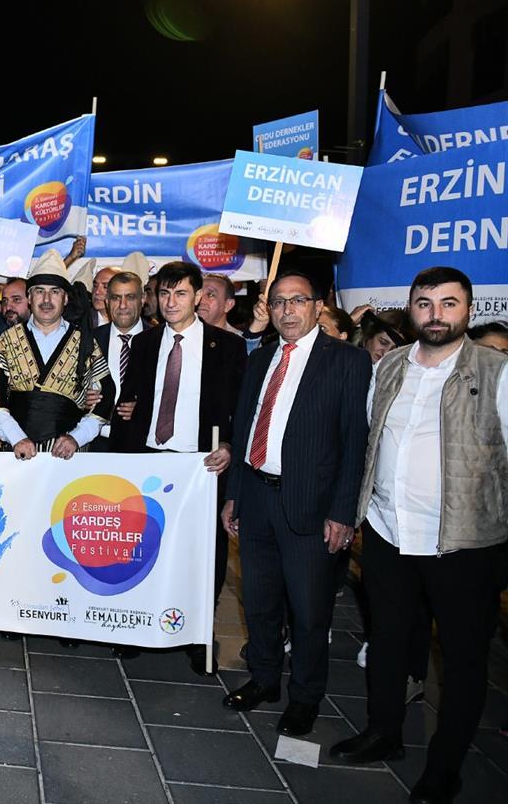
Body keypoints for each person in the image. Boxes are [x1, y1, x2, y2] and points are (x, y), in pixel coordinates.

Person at [330, 267, 508, 804]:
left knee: (461, 658)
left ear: (468, 310)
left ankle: (445, 767)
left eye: (448, 303)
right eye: (425, 303)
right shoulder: (389, 366)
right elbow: (371, 438)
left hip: (462, 542)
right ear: (411, 309)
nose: (436, 314)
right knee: (387, 640)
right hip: (389, 532)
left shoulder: (496, 372)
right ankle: (383, 732)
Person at [220, 270, 371, 738]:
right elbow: (244, 429)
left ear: (318, 306)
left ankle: (305, 697)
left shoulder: (347, 361)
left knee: (309, 612)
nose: (287, 311)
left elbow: (356, 443)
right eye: (279, 302)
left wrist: (343, 513)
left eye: (298, 301)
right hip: (256, 497)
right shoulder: (260, 358)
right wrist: (234, 495)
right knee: (259, 601)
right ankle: (264, 679)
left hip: (311, 507)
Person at [110, 261, 246, 669]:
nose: (171, 302)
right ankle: (140, 626)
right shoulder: (145, 343)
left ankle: (199, 634)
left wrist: (231, 446)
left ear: (198, 296)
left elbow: (241, 408)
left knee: (203, 554)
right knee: (145, 546)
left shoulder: (227, 347)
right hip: (150, 461)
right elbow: (130, 400)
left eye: (181, 293)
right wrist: (125, 413)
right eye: (165, 293)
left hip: (200, 466)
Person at [0, 249, 114, 460]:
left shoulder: (85, 342)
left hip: (69, 455)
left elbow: (105, 395)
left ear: (65, 299)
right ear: (29, 297)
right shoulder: (7, 339)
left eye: (54, 292)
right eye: (39, 291)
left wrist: (77, 438)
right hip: (18, 453)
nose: (46, 299)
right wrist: (16, 438)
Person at [92, 271, 151, 451]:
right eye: (116, 298)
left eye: (130, 297)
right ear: (107, 301)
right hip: (97, 444)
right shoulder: (89, 340)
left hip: (145, 444)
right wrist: (82, 400)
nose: (122, 305)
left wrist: (144, 408)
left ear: (143, 299)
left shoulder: (160, 340)